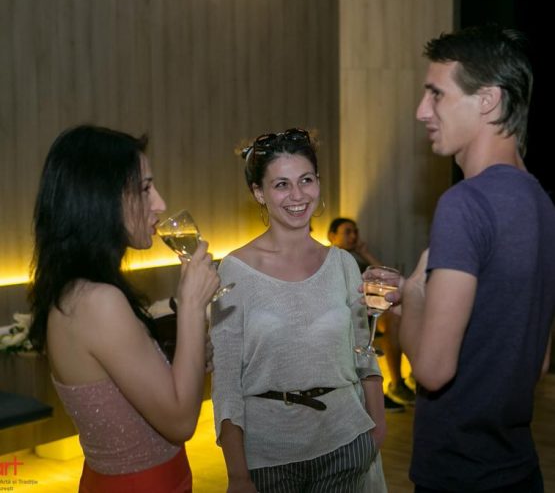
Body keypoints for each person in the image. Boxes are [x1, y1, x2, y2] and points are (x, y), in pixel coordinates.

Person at [398, 25, 555, 492]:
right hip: (518, 469)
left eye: (436, 94)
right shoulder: (542, 203)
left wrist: (412, 295)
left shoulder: (464, 204)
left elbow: (432, 371)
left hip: (459, 475)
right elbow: (539, 362)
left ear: (487, 100)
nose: (421, 110)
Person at [28, 125, 220, 493]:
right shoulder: (96, 300)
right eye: (145, 189)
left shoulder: (75, 291)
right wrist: (193, 306)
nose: (160, 203)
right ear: (101, 198)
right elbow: (180, 422)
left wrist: (186, 353)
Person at [210, 129, 386, 492]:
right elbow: (226, 379)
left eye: (306, 180)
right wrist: (237, 474)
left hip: (346, 443)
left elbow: (364, 354)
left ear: (318, 182)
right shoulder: (235, 270)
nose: (297, 195)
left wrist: (376, 432)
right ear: (259, 192)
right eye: (281, 185)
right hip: (270, 457)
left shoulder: (342, 264)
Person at [328, 218, 415, 411]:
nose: (353, 236)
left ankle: (401, 382)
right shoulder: (326, 259)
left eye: (355, 232)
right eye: (347, 232)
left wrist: (364, 252)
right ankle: (383, 389)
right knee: (390, 318)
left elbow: (389, 280)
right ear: (332, 236)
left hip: (366, 310)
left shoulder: (359, 261)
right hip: (345, 313)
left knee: (397, 315)